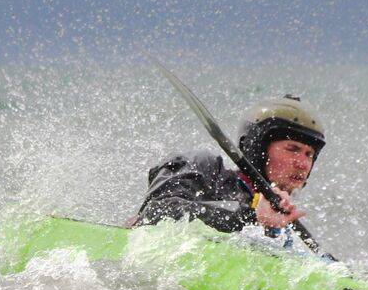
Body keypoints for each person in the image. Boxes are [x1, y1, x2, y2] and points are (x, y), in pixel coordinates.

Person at [132, 94, 330, 256]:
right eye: (292, 149)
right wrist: (252, 217)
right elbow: (156, 213)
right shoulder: (205, 167)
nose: (303, 164)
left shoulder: (285, 227)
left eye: (309, 154)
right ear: (256, 148)